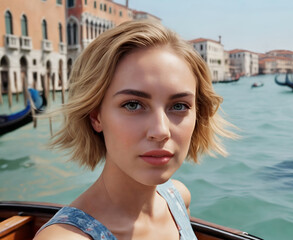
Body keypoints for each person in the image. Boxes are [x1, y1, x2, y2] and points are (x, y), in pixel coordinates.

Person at [34, 20, 234, 240]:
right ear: (96, 116)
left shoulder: (177, 198)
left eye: (179, 106)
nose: (160, 131)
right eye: (132, 105)